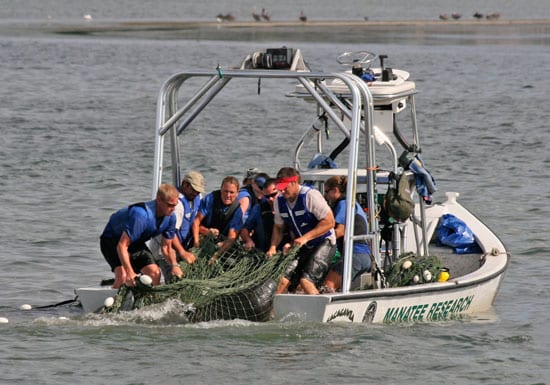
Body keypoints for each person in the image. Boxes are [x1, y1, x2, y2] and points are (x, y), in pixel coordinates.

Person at [266, 167, 336, 295]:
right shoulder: (279, 201)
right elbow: (278, 227)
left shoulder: (310, 196)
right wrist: (273, 247)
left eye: (284, 186)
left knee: (306, 281)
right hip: (303, 245)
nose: (281, 190)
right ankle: (273, 313)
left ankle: (320, 311)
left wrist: (305, 238)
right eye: (279, 187)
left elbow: (329, 222)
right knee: (281, 280)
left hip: (324, 242)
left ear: (294, 183)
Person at [100, 184, 181, 289]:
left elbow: (166, 248)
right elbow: (122, 246)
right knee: (123, 276)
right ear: (159, 200)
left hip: (135, 243)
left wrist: (174, 266)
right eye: (170, 205)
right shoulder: (141, 215)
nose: (173, 209)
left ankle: (151, 301)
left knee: (155, 273)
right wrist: (130, 272)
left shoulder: (171, 218)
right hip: (112, 241)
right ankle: (113, 301)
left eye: (175, 205)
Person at [150, 171, 205, 281]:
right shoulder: (177, 204)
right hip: (164, 247)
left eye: (198, 191)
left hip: (181, 245)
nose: (195, 193)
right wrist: (182, 252)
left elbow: (196, 220)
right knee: (174, 278)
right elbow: (171, 233)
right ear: (184, 184)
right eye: (193, 190)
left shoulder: (196, 197)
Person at [322, 176, 372, 292]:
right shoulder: (353, 203)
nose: (326, 196)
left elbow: (340, 231)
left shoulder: (343, 203)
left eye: (327, 192)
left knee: (328, 285)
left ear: (335, 190)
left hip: (355, 254)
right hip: (364, 255)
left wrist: (316, 238)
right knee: (340, 286)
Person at [192, 176, 243, 265]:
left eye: (232, 192)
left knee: (231, 262)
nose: (228, 195)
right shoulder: (210, 199)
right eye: (225, 191)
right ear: (220, 189)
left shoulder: (237, 210)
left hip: (224, 242)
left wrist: (216, 255)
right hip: (204, 237)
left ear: (237, 193)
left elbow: (231, 237)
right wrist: (199, 240)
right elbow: (196, 222)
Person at [241, 177, 290, 252]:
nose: (270, 199)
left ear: (281, 191)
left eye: (273, 195)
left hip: (284, 250)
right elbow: (245, 229)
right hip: (262, 250)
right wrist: (248, 240)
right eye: (267, 196)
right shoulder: (259, 208)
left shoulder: (289, 206)